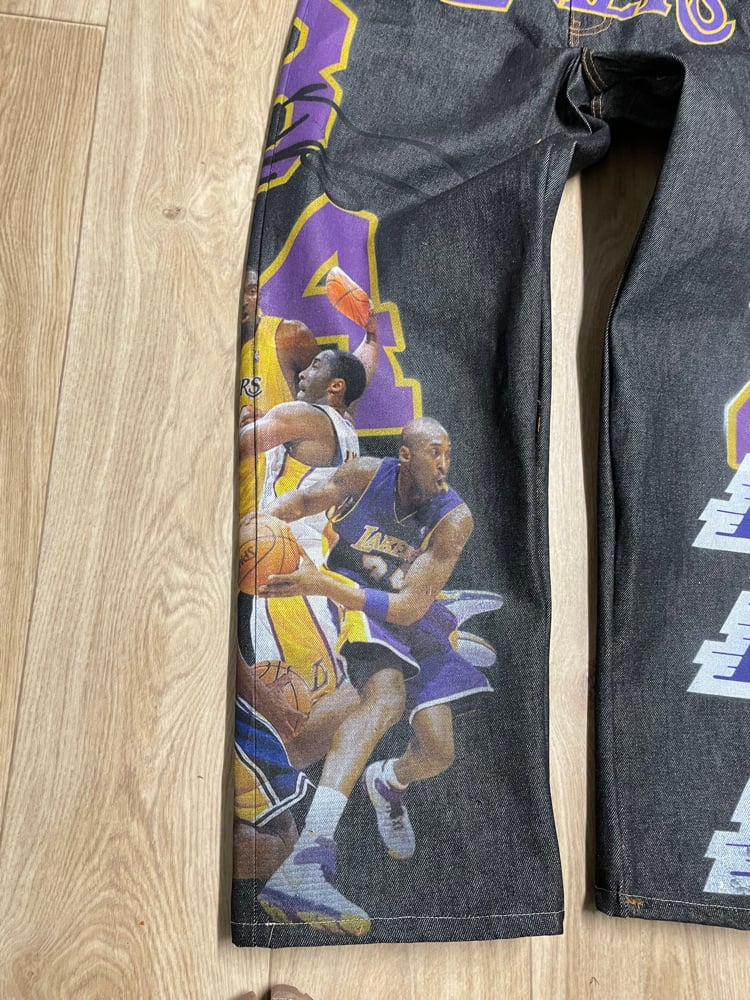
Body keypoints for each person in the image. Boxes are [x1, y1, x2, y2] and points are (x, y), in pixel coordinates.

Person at [256, 418, 492, 935]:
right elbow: (300, 502)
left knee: (438, 751)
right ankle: (308, 860)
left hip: (407, 614)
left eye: (448, 454)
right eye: (434, 453)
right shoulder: (364, 475)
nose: (444, 465)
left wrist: (320, 584)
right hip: (356, 603)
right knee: (384, 699)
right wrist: (257, 529)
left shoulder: (454, 519)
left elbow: (407, 608)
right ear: (405, 456)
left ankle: (388, 781)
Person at [234, 347, 379, 881]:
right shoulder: (345, 430)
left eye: (316, 365)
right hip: (304, 574)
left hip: (282, 574)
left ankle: (289, 842)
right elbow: (364, 365)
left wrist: (247, 421)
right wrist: (369, 339)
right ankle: (284, 832)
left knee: (289, 713)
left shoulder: (304, 416)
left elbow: (237, 445)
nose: (302, 371)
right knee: (302, 709)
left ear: (335, 387)